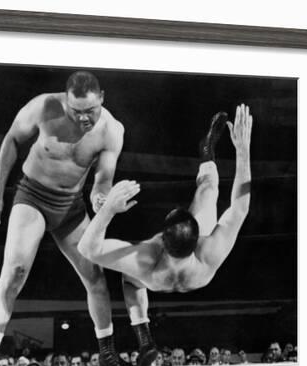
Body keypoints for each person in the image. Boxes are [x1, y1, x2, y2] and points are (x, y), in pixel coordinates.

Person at [0, 71, 152, 366]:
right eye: (76, 112)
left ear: (102, 99)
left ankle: (107, 353)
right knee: (14, 273)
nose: (84, 119)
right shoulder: (44, 107)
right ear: (65, 101)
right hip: (32, 196)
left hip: (71, 206)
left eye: (90, 111)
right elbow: (12, 139)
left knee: (95, 275)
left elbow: (103, 180)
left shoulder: (111, 130)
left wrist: (101, 200)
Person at [78, 104, 252, 305]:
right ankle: (207, 151)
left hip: (153, 279)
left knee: (130, 281)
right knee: (209, 189)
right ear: (199, 239)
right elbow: (240, 207)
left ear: (160, 239)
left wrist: (108, 210)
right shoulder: (209, 253)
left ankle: (140, 323)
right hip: (196, 276)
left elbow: (87, 249)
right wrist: (243, 150)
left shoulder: (145, 259)